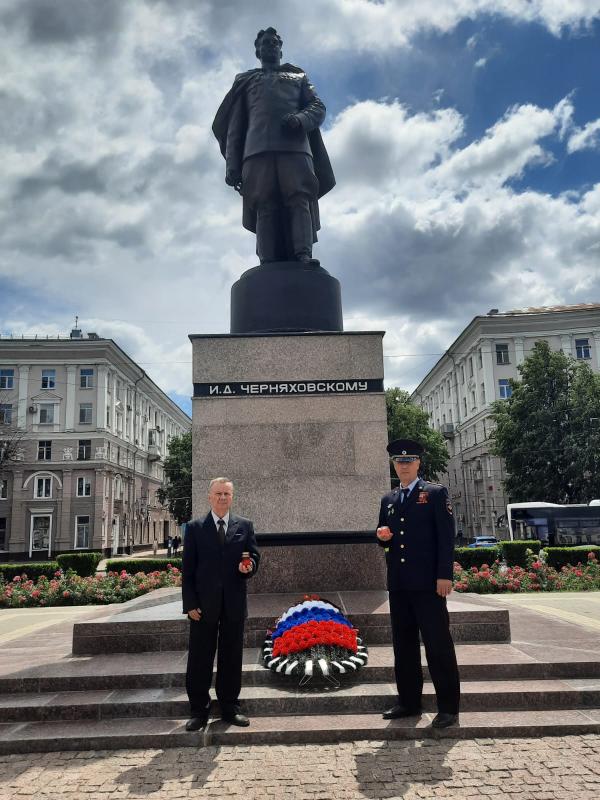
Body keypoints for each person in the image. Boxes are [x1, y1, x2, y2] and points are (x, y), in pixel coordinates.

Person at [212, 27, 335, 265]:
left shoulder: (298, 77)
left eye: (273, 42)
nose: (269, 46)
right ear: (257, 51)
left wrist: (300, 120)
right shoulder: (245, 81)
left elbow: (317, 107)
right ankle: (267, 261)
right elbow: (235, 126)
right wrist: (231, 165)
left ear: (280, 48)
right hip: (256, 152)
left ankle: (303, 255)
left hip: (295, 149)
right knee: (264, 203)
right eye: (264, 43)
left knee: (299, 199)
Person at [376, 439, 460, 729]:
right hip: (399, 585)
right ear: (394, 465)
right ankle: (409, 702)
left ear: (418, 464)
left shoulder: (435, 493)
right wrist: (382, 536)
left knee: (438, 645)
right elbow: (385, 536)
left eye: (409, 461)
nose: (404, 466)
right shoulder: (388, 499)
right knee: (404, 646)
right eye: (399, 462)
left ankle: (448, 707)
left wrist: (444, 575)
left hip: (428, 585)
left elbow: (446, 537)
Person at [182, 477, 260, 730]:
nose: (223, 498)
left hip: (233, 604)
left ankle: (229, 706)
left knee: (231, 657)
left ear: (232, 497)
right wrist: (189, 603)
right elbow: (188, 569)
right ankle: (198, 710)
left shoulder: (244, 526)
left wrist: (248, 567)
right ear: (209, 497)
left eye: (227, 494)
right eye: (218, 494)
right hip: (203, 606)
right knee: (200, 658)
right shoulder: (195, 528)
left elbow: (253, 558)